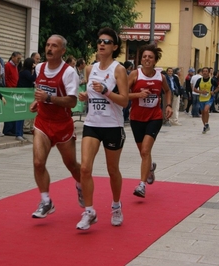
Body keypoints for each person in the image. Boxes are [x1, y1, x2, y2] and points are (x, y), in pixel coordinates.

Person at [76, 27, 129, 230]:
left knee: (112, 170)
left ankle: (116, 206)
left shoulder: (118, 69)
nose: (102, 44)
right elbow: (92, 93)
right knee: (85, 168)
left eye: (107, 41)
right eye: (100, 41)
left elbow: (124, 101)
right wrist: (86, 96)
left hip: (112, 125)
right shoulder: (90, 69)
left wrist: (106, 91)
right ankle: (89, 211)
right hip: (92, 124)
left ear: (114, 47)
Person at [29, 34, 82, 220]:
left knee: (71, 165)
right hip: (43, 122)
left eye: (54, 46)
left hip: (62, 125)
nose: (49, 49)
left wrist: (48, 99)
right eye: (47, 45)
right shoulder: (39, 68)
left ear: (63, 50)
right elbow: (40, 91)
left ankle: (81, 184)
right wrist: (37, 102)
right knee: (38, 162)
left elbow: (72, 102)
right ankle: (46, 201)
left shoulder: (69, 72)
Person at [128, 44, 173, 199]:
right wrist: (137, 95)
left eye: (150, 57)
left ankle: (141, 185)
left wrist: (168, 105)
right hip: (136, 118)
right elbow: (123, 94)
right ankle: (150, 168)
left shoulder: (161, 77)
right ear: (141, 59)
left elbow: (167, 91)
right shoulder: (135, 75)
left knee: (146, 151)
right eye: (145, 56)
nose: (147, 59)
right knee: (143, 152)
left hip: (154, 117)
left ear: (155, 61)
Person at [193, 67, 219, 134]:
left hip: (209, 98)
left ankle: (207, 123)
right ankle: (205, 126)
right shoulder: (199, 80)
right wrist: (201, 92)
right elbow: (194, 89)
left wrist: (213, 92)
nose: (204, 72)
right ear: (202, 72)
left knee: (205, 110)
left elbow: (218, 87)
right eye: (203, 71)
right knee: (202, 113)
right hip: (201, 98)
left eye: (206, 71)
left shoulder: (212, 80)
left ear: (208, 73)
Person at [15, 57, 36, 141]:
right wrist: (35, 70)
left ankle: (20, 133)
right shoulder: (25, 72)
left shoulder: (26, 72)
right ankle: (18, 133)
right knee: (20, 114)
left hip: (25, 95)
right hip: (21, 95)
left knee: (23, 114)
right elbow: (33, 78)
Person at [3, 52, 22, 136]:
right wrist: (9, 88)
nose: (19, 60)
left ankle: (13, 129)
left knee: (14, 110)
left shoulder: (15, 66)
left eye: (20, 59)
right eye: (18, 58)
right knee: (9, 110)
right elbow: (6, 78)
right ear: (13, 57)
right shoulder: (8, 66)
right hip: (10, 90)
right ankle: (7, 129)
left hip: (15, 90)